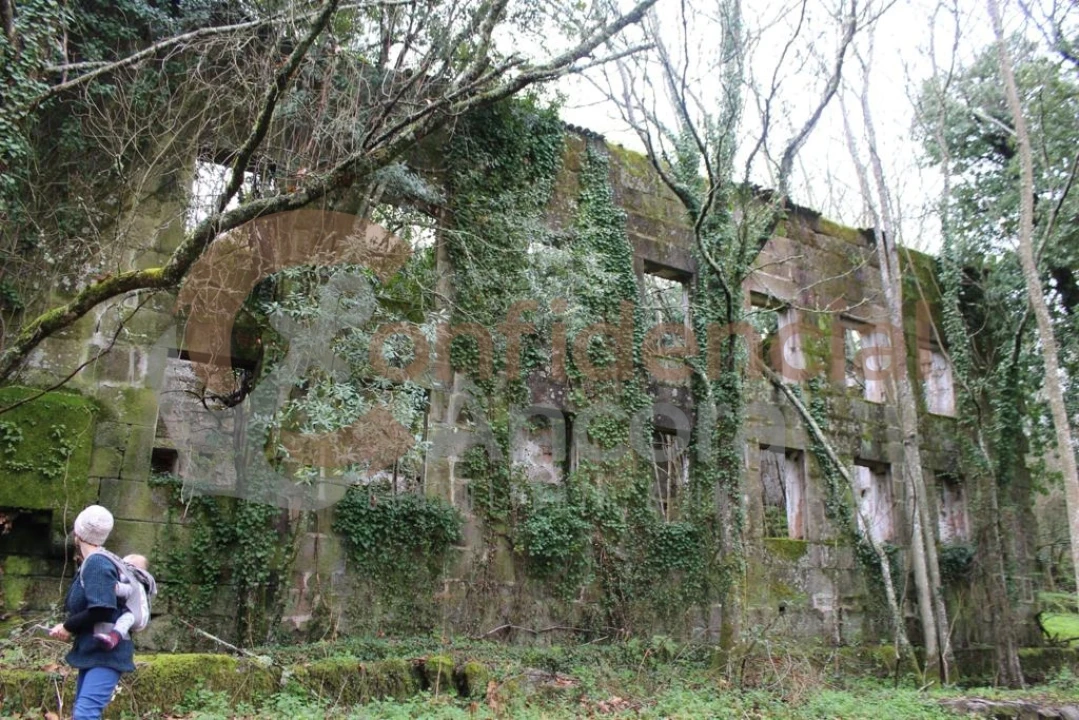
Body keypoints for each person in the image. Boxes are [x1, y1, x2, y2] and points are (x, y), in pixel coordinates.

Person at [49, 505, 135, 720]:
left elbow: (102, 609)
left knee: (85, 714)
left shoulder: (97, 564)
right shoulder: (93, 562)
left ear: (78, 533)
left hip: (107, 652)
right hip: (94, 650)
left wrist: (68, 626)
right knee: (84, 712)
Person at [93, 553, 150, 650]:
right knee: (123, 619)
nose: (120, 568)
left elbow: (125, 590)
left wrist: (109, 584)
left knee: (124, 620)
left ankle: (113, 638)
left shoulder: (134, 583)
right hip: (134, 611)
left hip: (137, 615)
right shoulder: (135, 582)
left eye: (125, 565)